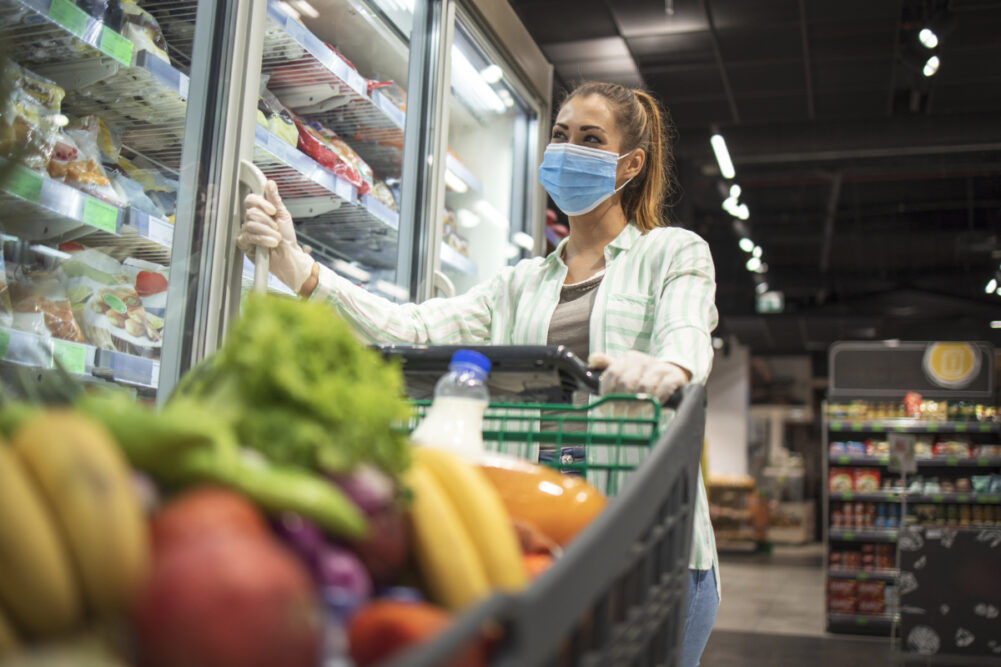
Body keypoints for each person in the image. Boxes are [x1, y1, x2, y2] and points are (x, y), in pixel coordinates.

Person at [239, 80, 720, 666]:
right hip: (550, 540)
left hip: (651, 545)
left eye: (591, 139)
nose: (568, 150)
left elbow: (687, 331)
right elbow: (412, 329)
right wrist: (298, 266)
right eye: (561, 135)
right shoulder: (519, 284)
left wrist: (667, 367)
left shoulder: (672, 253)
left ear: (631, 163)